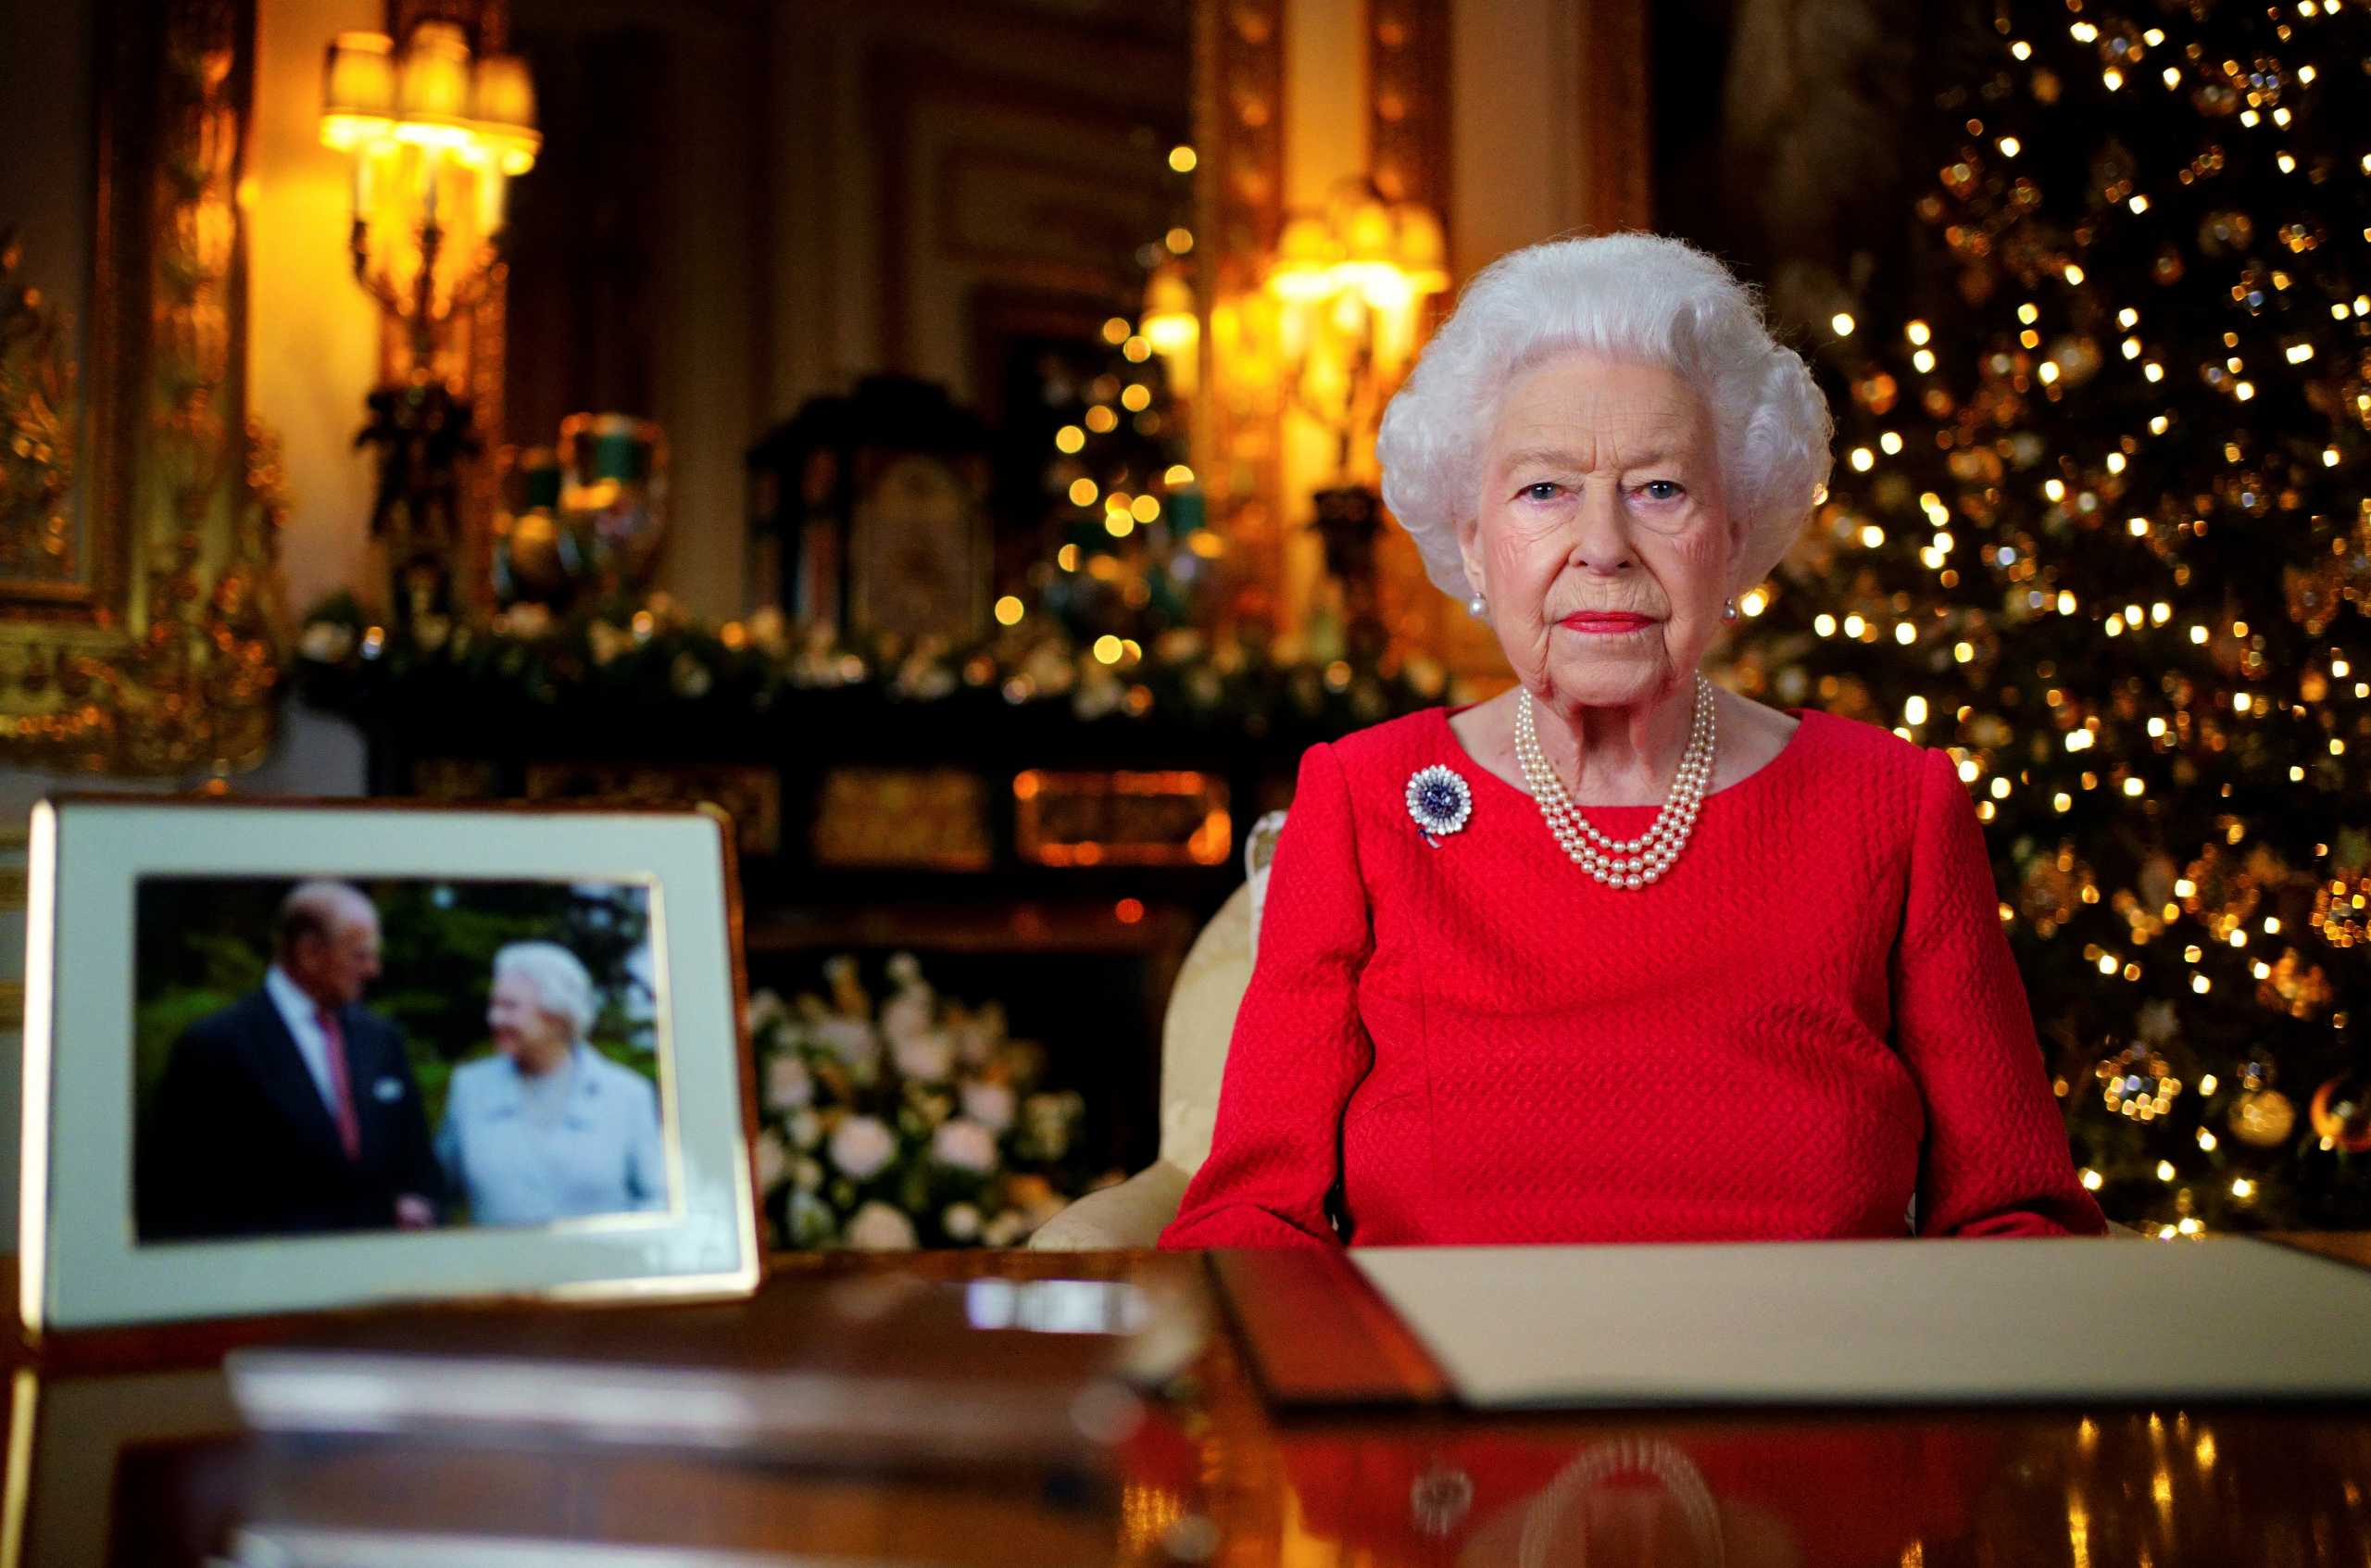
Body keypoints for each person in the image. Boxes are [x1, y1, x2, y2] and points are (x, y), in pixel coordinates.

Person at [1160, 233, 2107, 1249]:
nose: (1604, 545)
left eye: (1660, 488)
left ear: (1735, 532)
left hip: (1808, 1394)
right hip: (1448, 1396)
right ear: (1474, 538)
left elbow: (2016, 1216)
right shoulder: (1363, 797)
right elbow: (1251, 1221)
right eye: (1543, 491)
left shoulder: (1888, 803)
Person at [139, 881, 442, 1240]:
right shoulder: (215, 1046)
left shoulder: (381, 1039)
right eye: (360, 955)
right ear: (309, 952)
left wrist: (419, 1204)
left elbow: (419, 1162)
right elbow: (175, 1199)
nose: (374, 969)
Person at [436, 941, 668, 1225]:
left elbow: (658, 1199)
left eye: (509, 1006)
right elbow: (436, 1193)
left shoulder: (628, 1095)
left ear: (557, 1017)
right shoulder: (470, 1088)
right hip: (496, 1269)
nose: (494, 1018)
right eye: (494, 1004)